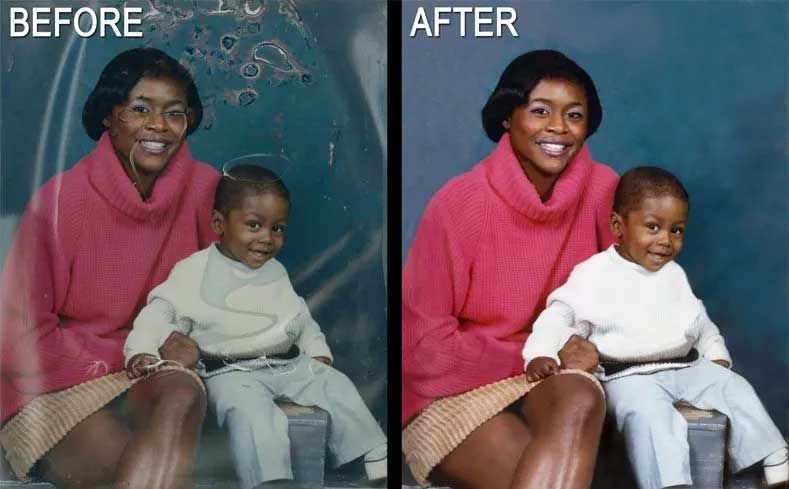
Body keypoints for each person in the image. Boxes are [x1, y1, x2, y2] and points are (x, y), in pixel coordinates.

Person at [0, 48, 219, 488]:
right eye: (140, 109)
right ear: (108, 115)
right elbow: (20, 341)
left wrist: (174, 352)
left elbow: (232, 302)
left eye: (174, 113)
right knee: (136, 470)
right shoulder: (60, 201)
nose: (158, 126)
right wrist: (136, 355)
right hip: (56, 384)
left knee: (180, 393)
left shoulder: (209, 191)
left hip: (155, 378)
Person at [402, 49, 619, 489]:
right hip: (455, 392)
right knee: (544, 473)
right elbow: (425, 349)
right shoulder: (458, 204)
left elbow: (631, 302)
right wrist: (544, 355)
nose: (558, 127)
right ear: (507, 116)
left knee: (580, 397)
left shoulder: (604, 192)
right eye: (540, 110)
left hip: (558, 382)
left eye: (573, 115)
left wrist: (563, 359)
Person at [123, 164, 388, 489]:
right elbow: (157, 315)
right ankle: (269, 480)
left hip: (287, 365)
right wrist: (141, 351)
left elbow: (301, 318)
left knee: (338, 386)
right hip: (231, 374)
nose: (267, 238)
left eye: (277, 228)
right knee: (252, 415)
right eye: (253, 225)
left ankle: (375, 460)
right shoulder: (193, 271)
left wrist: (318, 353)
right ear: (219, 223)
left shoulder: (275, 271)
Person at [522, 166, 788, 489]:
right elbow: (556, 317)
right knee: (648, 416)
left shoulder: (674, 275)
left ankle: (773, 461)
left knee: (735, 389)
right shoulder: (592, 275)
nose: (665, 241)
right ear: (618, 225)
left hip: (685, 365)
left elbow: (700, 322)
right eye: (653, 227)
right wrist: (539, 353)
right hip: (628, 376)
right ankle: (670, 483)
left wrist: (716, 356)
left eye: (676, 231)